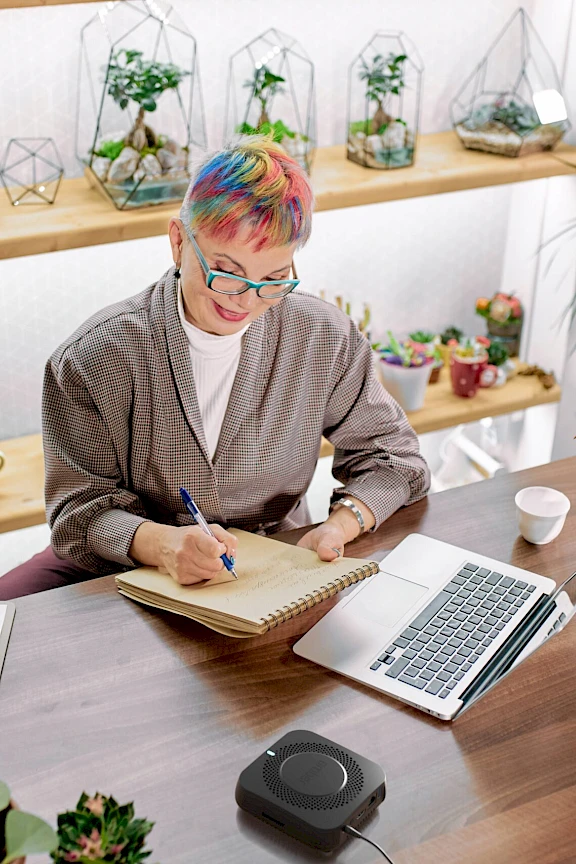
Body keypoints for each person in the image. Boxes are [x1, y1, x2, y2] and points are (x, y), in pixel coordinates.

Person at [0, 137, 430, 600]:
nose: (244, 300)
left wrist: (342, 525)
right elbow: (78, 513)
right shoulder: (94, 359)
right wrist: (163, 546)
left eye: (272, 280)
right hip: (122, 566)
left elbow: (396, 461)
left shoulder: (322, 338)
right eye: (226, 271)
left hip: (270, 561)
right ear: (179, 240)